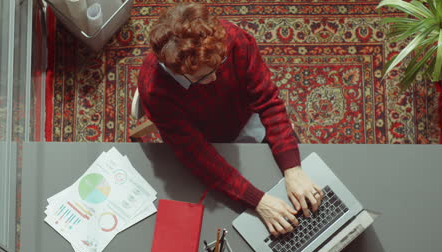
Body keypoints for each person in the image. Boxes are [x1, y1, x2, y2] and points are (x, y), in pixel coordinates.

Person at [136, 2, 323, 236]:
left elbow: (268, 100)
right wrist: (259, 202)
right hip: (210, 142)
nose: (215, 78)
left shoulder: (234, 40)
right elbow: (196, 154)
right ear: (175, 70)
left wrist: (293, 169)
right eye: (202, 77)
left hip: (249, 119)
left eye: (219, 65)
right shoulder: (155, 90)